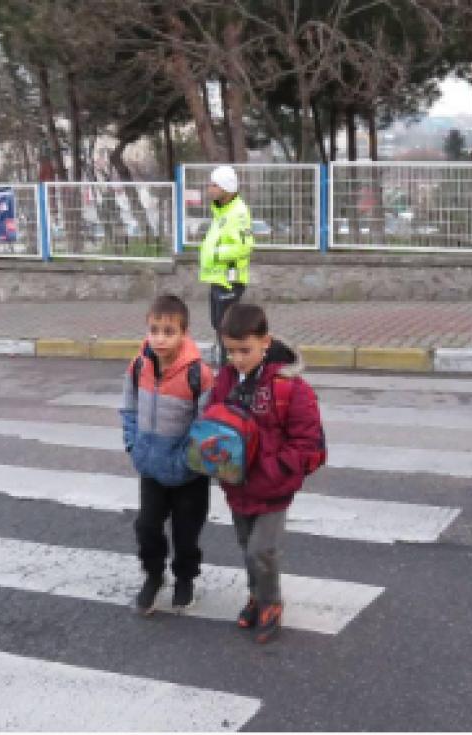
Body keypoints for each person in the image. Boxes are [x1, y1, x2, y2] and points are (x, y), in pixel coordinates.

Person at [207, 304, 325, 644]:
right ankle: (255, 595)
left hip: (273, 487)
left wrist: (272, 471)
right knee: (246, 547)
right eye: (230, 351)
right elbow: (213, 420)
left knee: (263, 550)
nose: (238, 358)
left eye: (245, 350)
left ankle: (271, 601)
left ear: (265, 342)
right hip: (236, 483)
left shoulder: (290, 387)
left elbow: (307, 443)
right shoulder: (227, 379)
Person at [120, 294, 216, 614]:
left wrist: (185, 461)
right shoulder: (138, 367)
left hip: (188, 474)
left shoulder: (198, 374)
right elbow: (129, 410)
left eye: (168, 331)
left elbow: (206, 425)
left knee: (186, 534)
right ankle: (154, 575)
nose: (160, 338)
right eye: (154, 330)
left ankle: (185, 578)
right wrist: (134, 446)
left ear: (184, 332)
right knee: (147, 527)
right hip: (151, 468)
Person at [199, 165, 253, 365]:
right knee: (218, 325)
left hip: (230, 280)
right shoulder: (222, 211)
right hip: (218, 278)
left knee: (228, 329)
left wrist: (215, 253)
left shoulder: (237, 213)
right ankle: (227, 370)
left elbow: (244, 247)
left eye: (214, 185)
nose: (209, 188)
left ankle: (231, 371)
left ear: (226, 188)